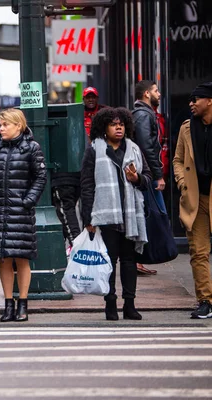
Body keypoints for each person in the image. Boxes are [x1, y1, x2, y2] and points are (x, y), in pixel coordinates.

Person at [80, 107, 151, 321]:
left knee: (129, 261)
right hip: (106, 216)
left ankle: (130, 305)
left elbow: (147, 178)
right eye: (113, 124)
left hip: (131, 216)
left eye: (121, 124)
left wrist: (136, 179)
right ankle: (110, 304)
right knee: (109, 262)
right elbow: (87, 185)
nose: (118, 127)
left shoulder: (134, 149)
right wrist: (88, 218)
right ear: (104, 127)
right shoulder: (94, 149)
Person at [0, 108, 46, 322]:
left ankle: (23, 304)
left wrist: (27, 201)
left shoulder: (31, 148)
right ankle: (8, 305)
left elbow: (40, 177)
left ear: (18, 125)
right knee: (4, 259)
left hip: (20, 211)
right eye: (0, 124)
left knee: (22, 258)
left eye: (6, 124)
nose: (1, 128)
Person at [173, 82, 212, 319]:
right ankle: (205, 300)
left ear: (209, 101)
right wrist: (182, 182)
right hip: (195, 198)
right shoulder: (186, 128)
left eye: (195, 99)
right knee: (198, 252)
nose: (191, 104)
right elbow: (178, 159)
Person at [132, 80, 165, 276]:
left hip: (145, 173)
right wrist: (158, 175)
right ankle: (139, 259)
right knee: (151, 215)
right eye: (155, 90)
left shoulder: (143, 114)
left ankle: (139, 259)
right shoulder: (144, 115)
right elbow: (147, 147)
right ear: (146, 94)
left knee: (146, 215)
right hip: (147, 175)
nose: (159, 94)